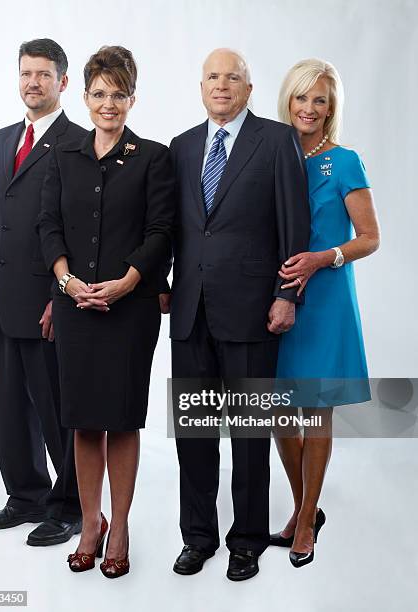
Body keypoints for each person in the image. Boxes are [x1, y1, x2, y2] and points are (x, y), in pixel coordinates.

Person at [167, 48, 310, 581]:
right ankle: (197, 538)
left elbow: (295, 228)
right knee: (195, 434)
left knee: (250, 435)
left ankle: (247, 540)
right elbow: (172, 229)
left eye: (233, 78)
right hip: (190, 314)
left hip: (255, 312)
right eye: (212, 78)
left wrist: (287, 295)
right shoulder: (181, 148)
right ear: (201, 87)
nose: (221, 86)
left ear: (249, 89)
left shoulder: (276, 141)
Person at [38, 45, 174, 578]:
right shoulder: (64, 156)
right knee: (83, 421)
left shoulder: (153, 157)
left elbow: (162, 231)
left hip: (130, 308)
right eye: (99, 93)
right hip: (73, 307)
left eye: (119, 94)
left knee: (120, 420)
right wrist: (69, 282)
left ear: (133, 98)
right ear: (86, 96)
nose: (108, 103)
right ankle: (89, 523)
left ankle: (119, 526)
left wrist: (125, 283)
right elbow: (48, 226)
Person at [0, 39, 86, 546]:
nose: (32, 82)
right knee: (10, 405)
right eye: (25, 73)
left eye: (43, 74)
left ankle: (73, 505)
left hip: (46, 303)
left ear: (62, 82)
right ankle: (26, 495)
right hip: (0, 297)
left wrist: (60, 297)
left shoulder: (79, 142)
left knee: (58, 409)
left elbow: (80, 231)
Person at [271, 58, 380, 568]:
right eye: (301, 97)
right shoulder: (272, 153)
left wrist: (324, 257)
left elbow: (370, 238)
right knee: (276, 415)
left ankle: (306, 517)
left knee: (314, 412)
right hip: (278, 296)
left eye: (320, 99)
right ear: (287, 100)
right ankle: (303, 505)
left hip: (327, 297)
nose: (309, 108)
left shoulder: (346, 160)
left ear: (331, 107)